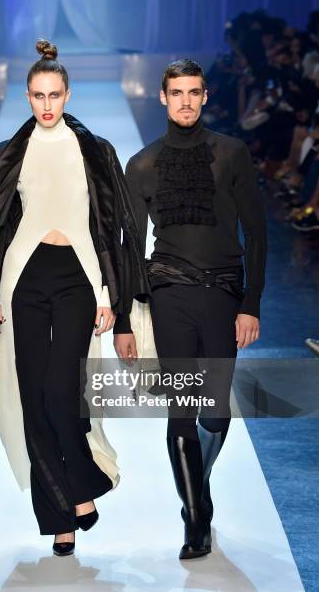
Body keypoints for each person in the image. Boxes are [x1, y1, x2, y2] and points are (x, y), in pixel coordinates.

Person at [0, 39, 150, 556]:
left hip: (77, 276)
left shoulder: (94, 151)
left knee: (60, 389)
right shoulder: (5, 156)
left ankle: (84, 481)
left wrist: (109, 293)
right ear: (27, 97)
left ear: (68, 95)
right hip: (24, 274)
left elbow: (114, 226)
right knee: (33, 394)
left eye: (54, 95)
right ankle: (60, 518)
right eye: (37, 96)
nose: (46, 105)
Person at [114, 59, 267, 560]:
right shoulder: (142, 164)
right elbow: (129, 245)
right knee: (181, 411)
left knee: (217, 411)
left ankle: (194, 487)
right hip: (170, 293)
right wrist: (122, 319)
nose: (185, 100)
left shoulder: (232, 154)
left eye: (193, 92)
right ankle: (196, 520)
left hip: (224, 293)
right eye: (176, 92)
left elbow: (258, 233)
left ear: (205, 97)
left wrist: (251, 304)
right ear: (162, 97)